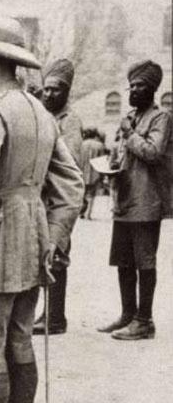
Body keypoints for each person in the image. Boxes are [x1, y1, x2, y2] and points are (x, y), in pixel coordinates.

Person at [0, 16, 83, 403]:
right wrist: (53, 236)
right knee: (20, 340)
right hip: (32, 240)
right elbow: (72, 184)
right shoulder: (42, 113)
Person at [97, 60, 171, 340]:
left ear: (152, 89)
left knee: (144, 261)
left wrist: (129, 136)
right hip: (124, 198)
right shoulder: (128, 117)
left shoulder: (161, 117)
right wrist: (111, 162)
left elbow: (153, 152)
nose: (134, 90)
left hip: (146, 200)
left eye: (140, 86)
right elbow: (121, 151)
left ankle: (144, 320)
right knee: (123, 261)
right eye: (132, 86)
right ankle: (128, 314)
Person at [33, 58, 83, 335]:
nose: (50, 94)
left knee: (58, 254)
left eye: (56, 90)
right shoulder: (44, 115)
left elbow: (71, 161)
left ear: (67, 92)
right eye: (47, 89)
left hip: (59, 198)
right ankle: (49, 313)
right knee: (46, 253)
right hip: (43, 198)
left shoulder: (70, 120)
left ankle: (55, 317)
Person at [79, 127, 107, 220]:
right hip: (95, 173)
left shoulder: (81, 144)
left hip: (81, 172)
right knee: (91, 195)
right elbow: (102, 161)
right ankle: (88, 214)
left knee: (81, 194)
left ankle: (81, 212)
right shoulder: (100, 145)